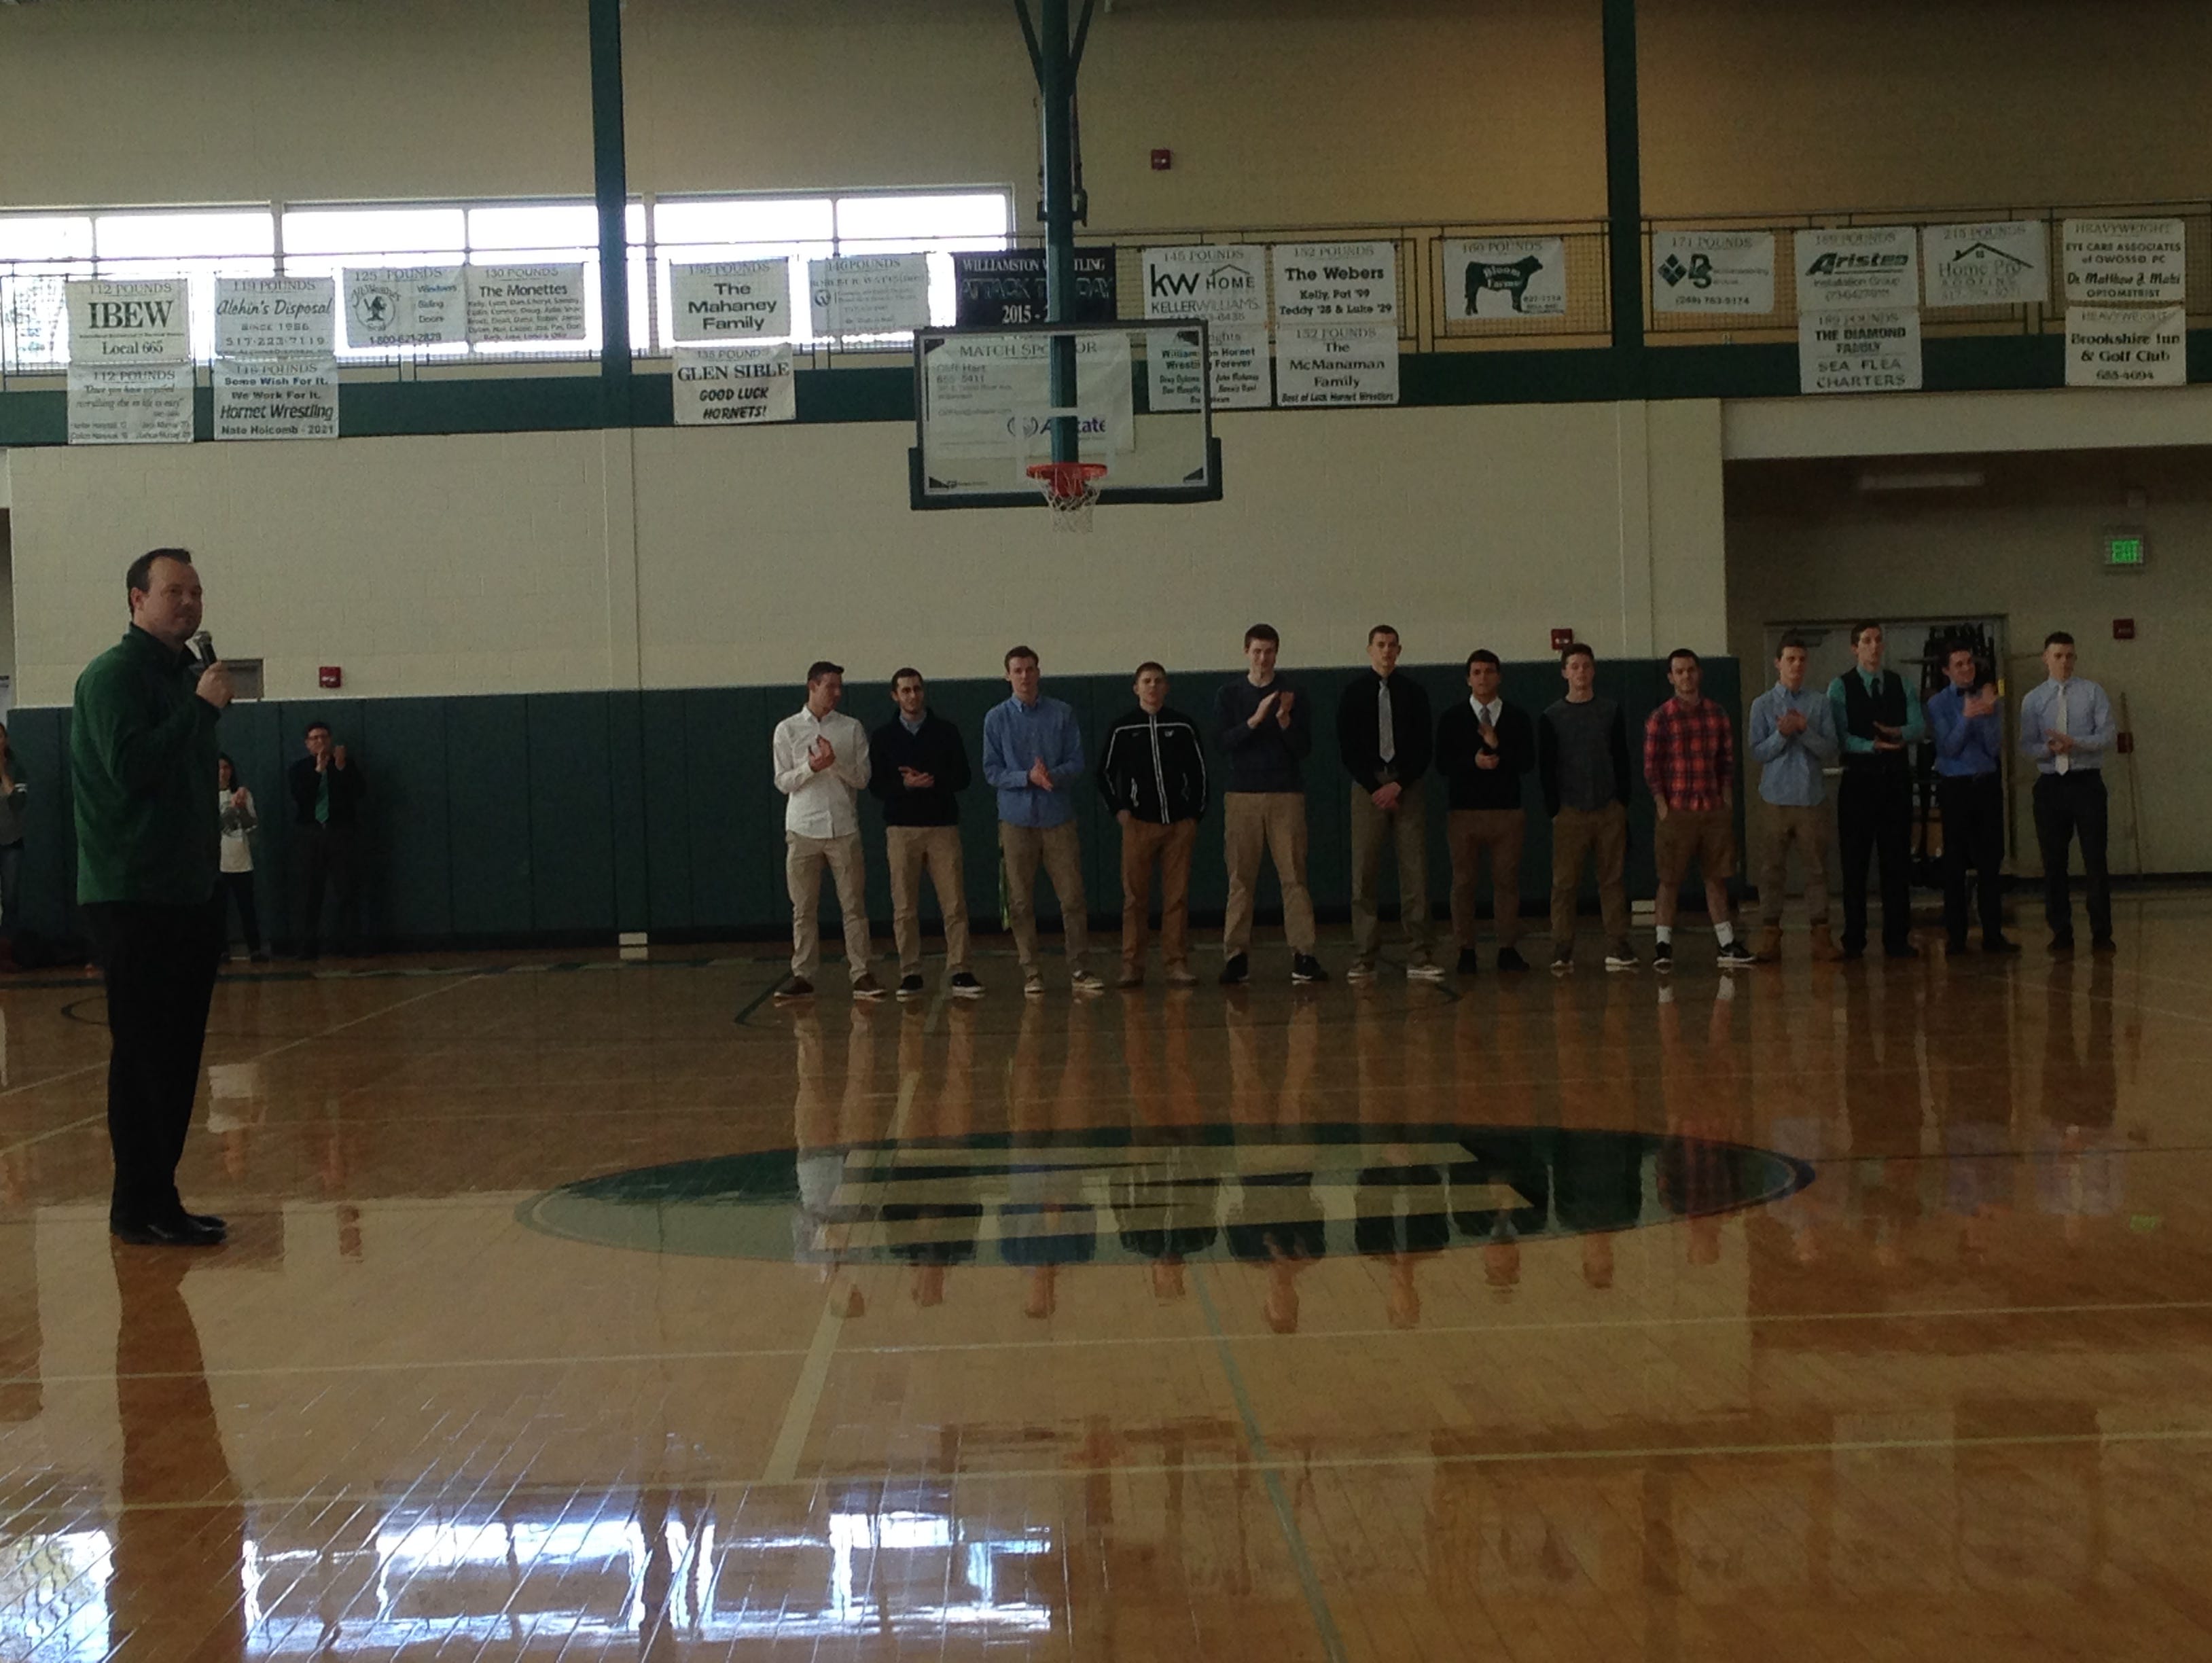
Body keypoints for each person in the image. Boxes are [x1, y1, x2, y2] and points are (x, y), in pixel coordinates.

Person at [70, 548, 232, 1247]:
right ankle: (138, 1203)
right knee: (143, 1054)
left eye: (196, 591)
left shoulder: (184, 676)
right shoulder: (113, 677)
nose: (189, 603)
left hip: (187, 891)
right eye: (174, 591)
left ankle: (155, 1196)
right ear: (137, 600)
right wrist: (199, 713)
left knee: (177, 1053)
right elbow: (132, 769)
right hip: (132, 891)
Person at [982, 645, 1104, 996]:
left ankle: (1080, 968)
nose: (1024, 676)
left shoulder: (1062, 714)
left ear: (1039, 672)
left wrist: (1051, 775)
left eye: (1030, 669)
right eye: (1017, 670)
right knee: (1020, 901)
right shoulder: (996, 718)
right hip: (1016, 820)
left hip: (1058, 818)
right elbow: (992, 771)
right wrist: (1026, 778)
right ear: (1007, 675)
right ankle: (1031, 971)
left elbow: (1077, 762)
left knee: (1073, 897)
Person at [1215, 624, 1326, 986]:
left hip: (1286, 794)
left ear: (1277, 654)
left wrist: (1283, 720)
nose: (1263, 658)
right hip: (1242, 796)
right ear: (1246, 652)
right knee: (1241, 879)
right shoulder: (1229, 694)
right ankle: (1236, 957)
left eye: (1270, 652)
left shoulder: (1293, 694)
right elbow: (1224, 742)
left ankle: (1304, 954)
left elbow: (1304, 749)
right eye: (1257, 651)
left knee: (1294, 877)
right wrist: (1256, 719)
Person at [771, 660, 884, 1001]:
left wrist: (834, 764)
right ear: (812, 686)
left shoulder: (851, 728)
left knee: (853, 905)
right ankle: (803, 975)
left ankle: (861, 973)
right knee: (803, 908)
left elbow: (863, 779)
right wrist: (810, 767)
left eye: (839, 687)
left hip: (843, 828)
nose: (837, 693)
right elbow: (782, 781)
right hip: (803, 829)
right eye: (830, 686)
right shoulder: (787, 730)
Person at [867, 668, 982, 999]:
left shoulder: (946, 731)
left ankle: (960, 969)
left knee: (954, 904)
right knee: (904, 907)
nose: (912, 695)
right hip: (901, 830)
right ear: (895, 695)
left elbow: (964, 776)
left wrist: (933, 780)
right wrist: (904, 784)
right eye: (905, 690)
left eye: (917, 689)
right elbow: (875, 785)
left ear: (924, 692)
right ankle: (910, 972)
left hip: (942, 827)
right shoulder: (884, 736)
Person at [1336, 626, 1438, 980]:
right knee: (1363, 874)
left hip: (1406, 784)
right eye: (1380, 645)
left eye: (1393, 646)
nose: (1387, 651)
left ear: (1400, 650)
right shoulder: (1353, 693)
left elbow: (1425, 746)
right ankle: (1364, 955)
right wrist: (1374, 786)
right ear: (1369, 650)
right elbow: (1347, 748)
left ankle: (1420, 953)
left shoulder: (1414, 692)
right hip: (1367, 788)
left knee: (1415, 873)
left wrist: (1398, 785)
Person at [1098, 661, 1208, 988]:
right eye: (1147, 681)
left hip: (1179, 825)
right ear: (1136, 688)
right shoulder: (1122, 728)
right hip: (1139, 825)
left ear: (1167, 687)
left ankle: (1176, 963)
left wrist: (1194, 815)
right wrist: (1119, 810)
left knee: (1176, 897)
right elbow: (1103, 773)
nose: (1153, 687)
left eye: (1159, 681)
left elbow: (1200, 773)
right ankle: (1133, 966)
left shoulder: (1183, 726)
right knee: (1135, 899)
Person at [1644, 648, 1755, 970]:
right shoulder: (1661, 717)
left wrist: (1725, 799)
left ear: (1699, 673)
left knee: (1716, 878)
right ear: (1671, 677)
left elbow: (1727, 761)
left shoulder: (1717, 714)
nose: (1686, 676)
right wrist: (1662, 805)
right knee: (1669, 880)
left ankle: (1726, 944)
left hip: (1712, 810)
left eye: (1691, 670)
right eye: (1679, 671)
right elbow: (1652, 767)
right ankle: (1663, 946)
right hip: (1676, 811)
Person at [1826, 622, 1925, 959]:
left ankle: (1897, 937)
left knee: (1896, 863)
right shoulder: (1840, 687)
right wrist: (1873, 745)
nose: (1874, 646)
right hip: (1859, 781)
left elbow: (1918, 726)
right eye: (1866, 641)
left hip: (1895, 782)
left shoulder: (1901, 683)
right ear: (1855, 648)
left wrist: (1896, 732)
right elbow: (1839, 736)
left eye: (1878, 640)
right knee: (1854, 864)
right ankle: (1854, 939)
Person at [1435, 648, 1535, 975]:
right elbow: (1442, 764)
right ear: (1468, 678)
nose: (1483, 678)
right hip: (1464, 813)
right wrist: (1473, 762)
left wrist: (1498, 748)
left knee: (1506, 882)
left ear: (1499, 677)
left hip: (1506, 813)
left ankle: (1507, 948)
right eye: (1476, 672)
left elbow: (1527, 762)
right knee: (1463, 883)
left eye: (1489, 671)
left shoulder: (1517, 717)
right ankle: (1466, 949)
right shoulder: (1452, 718)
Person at [1537, 643, 1635, 973]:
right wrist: (1555, 807)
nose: (1581, 672)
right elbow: (1547, 767)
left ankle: (1618, 944)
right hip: (1569, 810)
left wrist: (1622, 800)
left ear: (1594, 671)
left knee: (1613, 879)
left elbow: (1621, 757)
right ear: (1565, 672)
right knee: (1564, 883)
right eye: (1574, 666)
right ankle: (1562, 947)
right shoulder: (1552, 716)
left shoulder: (1611, 710)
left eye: (1586, 666)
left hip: (1609, 807)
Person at [1745, 634, 1842, 963]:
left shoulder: (1820, 703)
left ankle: (1821, 936)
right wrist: (1781, 734)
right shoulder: (1762, 704)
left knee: (1817, 870)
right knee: (1771, 869)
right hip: (1775, 798)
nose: (1797, 665)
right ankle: (1770, 935)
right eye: (1790, 659)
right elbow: (1757, 752)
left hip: (1812, 798)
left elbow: (1830, 750)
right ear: (1778, 663)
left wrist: (1804, 730)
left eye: (1802, 659)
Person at [2018, 631, 2114, 953]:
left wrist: (2076, 743)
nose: (2065, 662)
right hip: (2051, 785)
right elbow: (2027, 746)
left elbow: (2106, 735)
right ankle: (2061, 930)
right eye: (2058, 656)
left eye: (2070, 656)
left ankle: (2102, 931)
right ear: (2045, 658)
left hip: (2086, 782)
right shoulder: (2033, 700)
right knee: (2054, 862)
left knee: (2095, 859)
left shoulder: (2092, 693)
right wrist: (2049, 748)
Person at [1927, 641, 2018, 955]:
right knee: (1954, 864)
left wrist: (1987, 713)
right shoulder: (1938, 704)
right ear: (1946, 671)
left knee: (1990, 863)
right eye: (1959, 664)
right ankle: (1957, 937)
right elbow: (1949, 748)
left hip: (1986, 785)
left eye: (1969, 663)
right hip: (1955, 787)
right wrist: (1967, 717)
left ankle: (1993, 935)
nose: (1967, 669)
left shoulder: (1989, 697)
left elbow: (1994, 748)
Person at [286, 720, 367, 958]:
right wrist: (318, 771)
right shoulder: (299, 769)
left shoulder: (345, 765)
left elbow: (359, 793)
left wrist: (341, 769)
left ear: (330, 740)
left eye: (324, 737)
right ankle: (307, 946)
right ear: (307, 744)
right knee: (309, 893)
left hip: (340, 832)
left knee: (346, 891)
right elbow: (302, 797)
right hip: (310, 833)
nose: (320, 742)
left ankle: (347, 944)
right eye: (315, 739)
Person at [215, 754, 268, 963]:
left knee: (247, 907)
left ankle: (254, 949)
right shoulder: (204, 796)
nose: (223, 772)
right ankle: (221, 950)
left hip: (241, 860)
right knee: (219, 910)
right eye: (219, 768)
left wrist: (242, 807)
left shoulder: (243, 794)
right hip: (217, 861)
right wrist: (231, 810)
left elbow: (250, 826)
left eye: (227, 767)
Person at [0, 723, 25, 967]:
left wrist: (2, 772)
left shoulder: (17, 768)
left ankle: (6, 954)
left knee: (11, 898)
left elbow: (18, 804)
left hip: (11, 842)